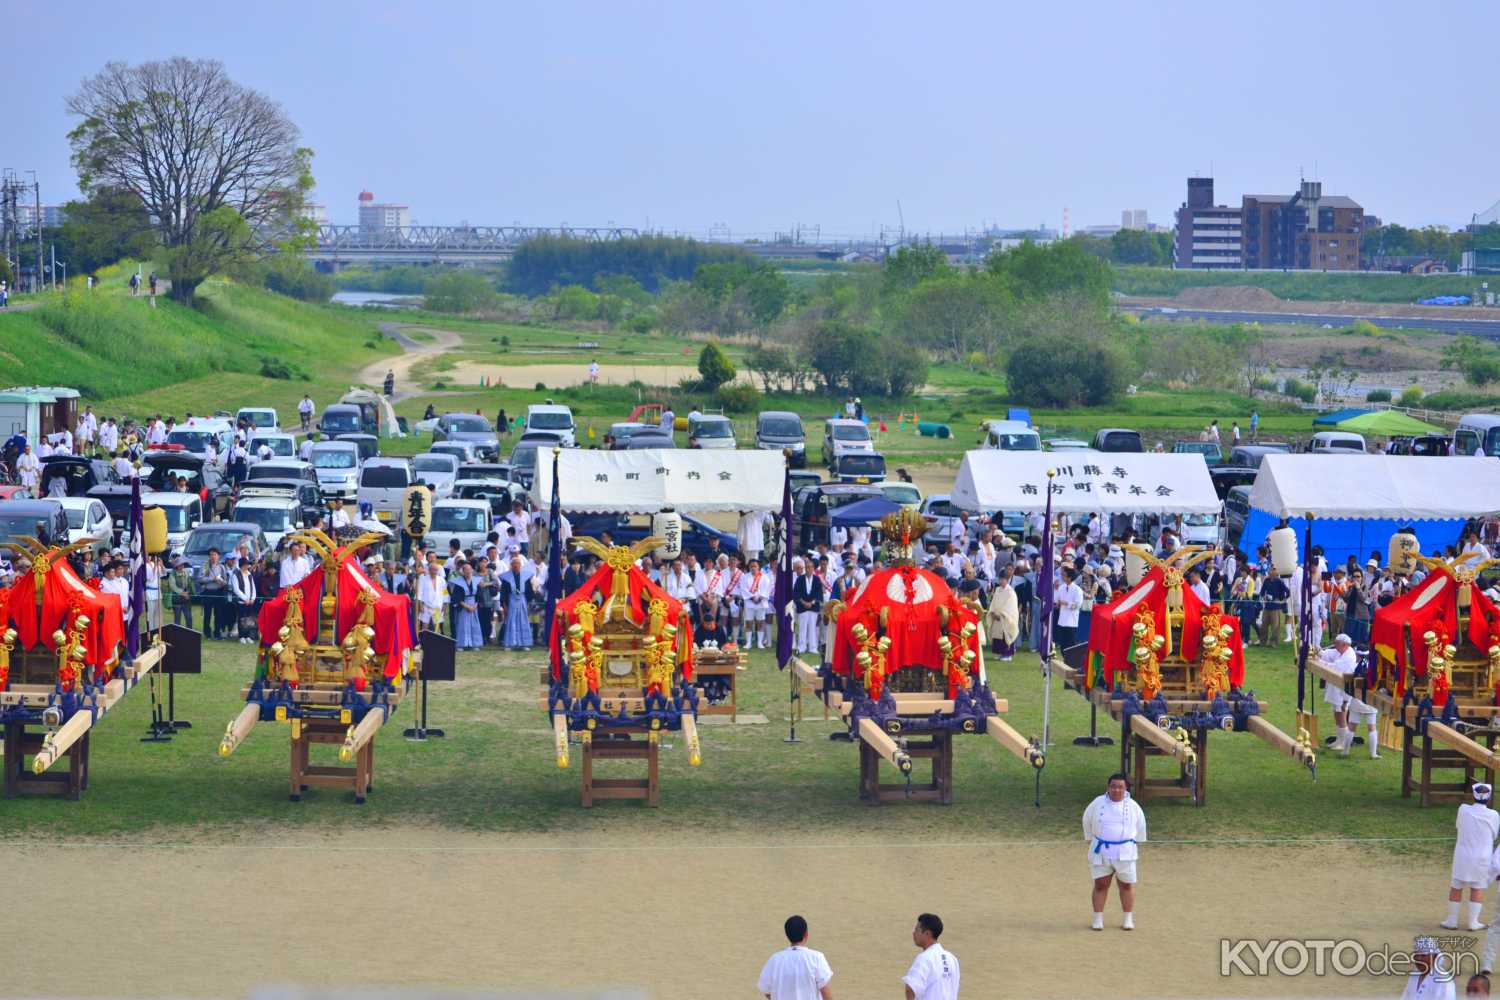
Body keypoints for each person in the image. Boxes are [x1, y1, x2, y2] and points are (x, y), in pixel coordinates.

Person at [1084, 772, 1147, 931]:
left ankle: (1128, 918)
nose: (1116, 790)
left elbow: (1140, 827)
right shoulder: (1097, 803)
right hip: (1101, 852)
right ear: (1108, 787)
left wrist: (1135, 841)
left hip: (1125, 853)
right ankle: (1097, 918)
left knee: (1126, 885)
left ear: (1126, 789)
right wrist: (1091, 838)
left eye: (1120, 787)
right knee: (1100, 884)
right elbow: (1087, 820)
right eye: (1113, 786)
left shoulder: (1133, 806)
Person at [1445, 783, 1500, 931]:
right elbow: (1494, 834)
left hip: (1463, 855)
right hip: (1482, 856)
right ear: (1488, 798)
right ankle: (1473, 922)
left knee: (1456, 886)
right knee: (1477, 887)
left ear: (1473, 795)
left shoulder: (1463, 809)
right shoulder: (1494, 815)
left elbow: (1459, 826)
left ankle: (1452, 920)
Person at [756, 915, 833, 1000]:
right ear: (806, 934)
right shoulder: (816, 958)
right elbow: (825, 991)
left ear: (787, 935)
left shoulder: (774, 960)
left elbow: (766, 989)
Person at [902, 913, 959, 1000]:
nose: (913, 932)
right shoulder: (952, 958)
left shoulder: (924, 959)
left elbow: (910, 988)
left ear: (927, 934)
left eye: (917, 929)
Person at [738, 558, 774, 650]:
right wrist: (752, 597)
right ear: (749, 567)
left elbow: (767, 590)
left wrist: (760, 597)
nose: (753, 568)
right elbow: (743, 589)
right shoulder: (745, 577)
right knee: (749, 622)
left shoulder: (764, 577)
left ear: (759, 567)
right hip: (749, 602)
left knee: (760, 622)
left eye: (755, 566)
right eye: (751, 566)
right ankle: (748, 642)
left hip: (761, 603)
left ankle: (759, 643)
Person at [793, 557, 824, 659]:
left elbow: (819, 593)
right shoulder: (800, 579)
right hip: (802, 606)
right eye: (807, 567)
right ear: (804, 568)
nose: (808, 569)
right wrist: (803, 602)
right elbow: (796, 593)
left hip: (813, 606)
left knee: (812, 627)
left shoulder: (817, 579)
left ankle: (813, 647)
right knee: (802, 627)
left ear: (813, 569)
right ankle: (801, 646)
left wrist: (812, 602)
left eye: (810, 567)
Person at [985, 569, 1019, 661]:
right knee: (996, 634)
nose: (1001, 581)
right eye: (1000, 579)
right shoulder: (997, 590)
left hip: (1005, 617)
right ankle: (999, 653)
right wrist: (992, 612)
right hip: (996, 616)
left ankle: (1007, 654)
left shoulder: (1011, 592)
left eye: (1003, 579)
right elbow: (994, 602)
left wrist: (1001, 614)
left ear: (1007, 580)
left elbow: (1010, 606)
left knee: (1005, 634)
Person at [450, 561, 483, 650]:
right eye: (466, 570)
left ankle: (474, 644)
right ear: (463, 571)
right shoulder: (458, 583)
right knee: (462, 625)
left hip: (474, 606)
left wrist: (475, 605)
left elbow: (479, 595)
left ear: (472, 570)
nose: (468, 572)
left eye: (469, 570)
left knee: (474, 625)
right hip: (464, 606)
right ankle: (461, 644)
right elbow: (456, 597)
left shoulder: (476, 581)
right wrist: (466, 606)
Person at [1054, 566, 1083, 649]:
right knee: (1062, 644)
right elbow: (1057, 600)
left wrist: (1066, 603)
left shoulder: (1077, 590)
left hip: (1071, 622)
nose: (1062, 577)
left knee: (1070, 645)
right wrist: (1058, 604)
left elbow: (1078, 605)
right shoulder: (1061, 587)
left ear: (1069, 578)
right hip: (1062, 620)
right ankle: (1065, 660)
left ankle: (1071, 661)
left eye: (1064, 575)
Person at [230, 556, 258, 644]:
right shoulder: (236, 575)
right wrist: (245, 598)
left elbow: (253, 587)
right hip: (242, 601)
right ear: (242, 565)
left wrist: (253, 598)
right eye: (246, 564)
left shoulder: (249, 574)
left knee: (250, 619)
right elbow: (236, 589)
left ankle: (248, 636)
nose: (248, 566)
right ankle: (241, 636)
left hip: (250, 601)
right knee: (242, 618)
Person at [416, 560, 448, 632]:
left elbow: (445, 593)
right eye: (433, 570)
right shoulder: (423, 579)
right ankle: (423, 641)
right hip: (426, 606)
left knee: (436, 627)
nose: (434, 572)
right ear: (429, 570)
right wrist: (420, 605)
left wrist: (445, 604)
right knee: (425, 626)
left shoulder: (442, 580)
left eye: (436, 570)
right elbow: (419, 592)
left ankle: (434, 641)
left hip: (437, 606)